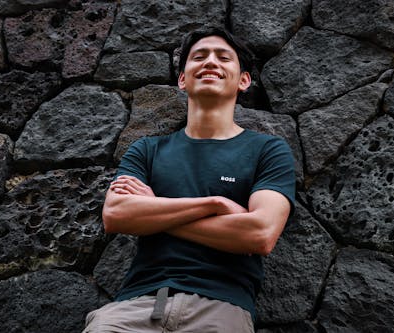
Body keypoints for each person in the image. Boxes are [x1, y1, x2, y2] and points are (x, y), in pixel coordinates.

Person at [83, 27, 295, 333]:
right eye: (199, 56)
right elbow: (117, 215)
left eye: (223, 57)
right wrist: (217, 204)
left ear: (243, 81)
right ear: (182, 80)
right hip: (133, 308)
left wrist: (155, 208)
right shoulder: (147, 150)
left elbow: (260, 234)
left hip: (221, 309)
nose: (210, 62)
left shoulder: (268, 150)